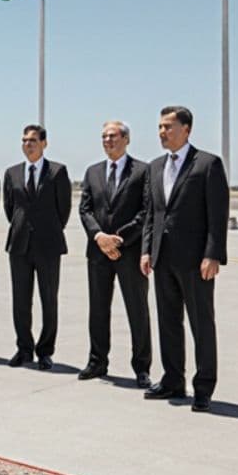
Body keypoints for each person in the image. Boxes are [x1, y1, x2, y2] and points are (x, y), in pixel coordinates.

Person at [140, 106, 228, 412]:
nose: (162, 132)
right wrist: (146, 249)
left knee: (201, 324)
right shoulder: (154, 167)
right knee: (168, 322)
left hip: (196, 260)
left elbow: (217, 215)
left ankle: (203, 387)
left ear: (186, 129)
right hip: (162, 258)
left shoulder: (207, 164)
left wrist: (213, 254)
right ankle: (173, 379)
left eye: (168, 127)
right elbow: (153, 213)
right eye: (160, 127)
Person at [77, 121, 152, 388]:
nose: (107, 140)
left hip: (129, 252)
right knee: (98, 309)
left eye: (113, 136)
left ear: (126, 139)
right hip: (98, 252)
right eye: (104, 137)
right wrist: (99, 237)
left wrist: (118, 239)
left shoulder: (143, 171)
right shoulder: (93, 171)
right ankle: (97, 361)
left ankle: (142, 368)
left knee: (137, 310)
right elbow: (85, 209)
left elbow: (145, 212)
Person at [3, 124, 71, 371]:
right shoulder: (12, 173)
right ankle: (24, 348)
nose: (27, 144)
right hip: (19, 245)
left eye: (32, 140)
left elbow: (63, 209)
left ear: (44, 143)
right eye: (24, 140)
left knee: (48, 299)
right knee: (20, 300)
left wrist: (47, 229)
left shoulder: (57, 171)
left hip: (48, 245)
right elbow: (10, 208)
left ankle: (45, 351)